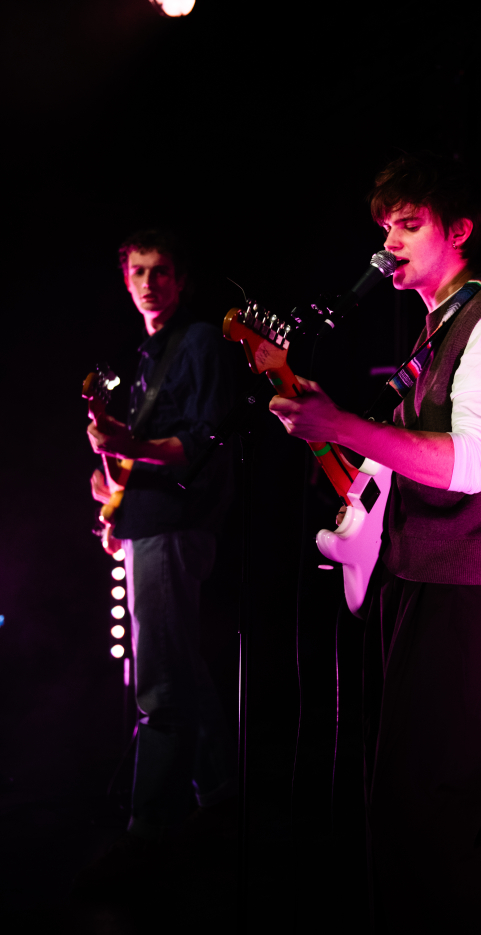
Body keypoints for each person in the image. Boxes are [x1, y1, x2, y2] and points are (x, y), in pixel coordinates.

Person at [269, 154, 481, 931]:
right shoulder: (440, 328)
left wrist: (338, 426)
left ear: (458, 231)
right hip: (425, 577)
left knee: (429, 815)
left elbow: (468, 466)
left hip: (469, 590)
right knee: (403, 809)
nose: (388, 242)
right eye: (383, 227)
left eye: (408, 225)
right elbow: (405, 459)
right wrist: (336, 426)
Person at [86, 228, 238, 865]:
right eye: (139, 272)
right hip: (149, 523)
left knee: (160, 686)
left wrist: (130, 449)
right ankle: (220, 798)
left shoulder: (196, 341)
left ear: (180, 280)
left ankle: (147, 829)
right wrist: (113, 488)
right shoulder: (147, 356)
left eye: (161, 271)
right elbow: (146, 448)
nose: (149, 282)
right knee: (182, 670)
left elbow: (205, 443)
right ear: (127, 281)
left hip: (175, 526)